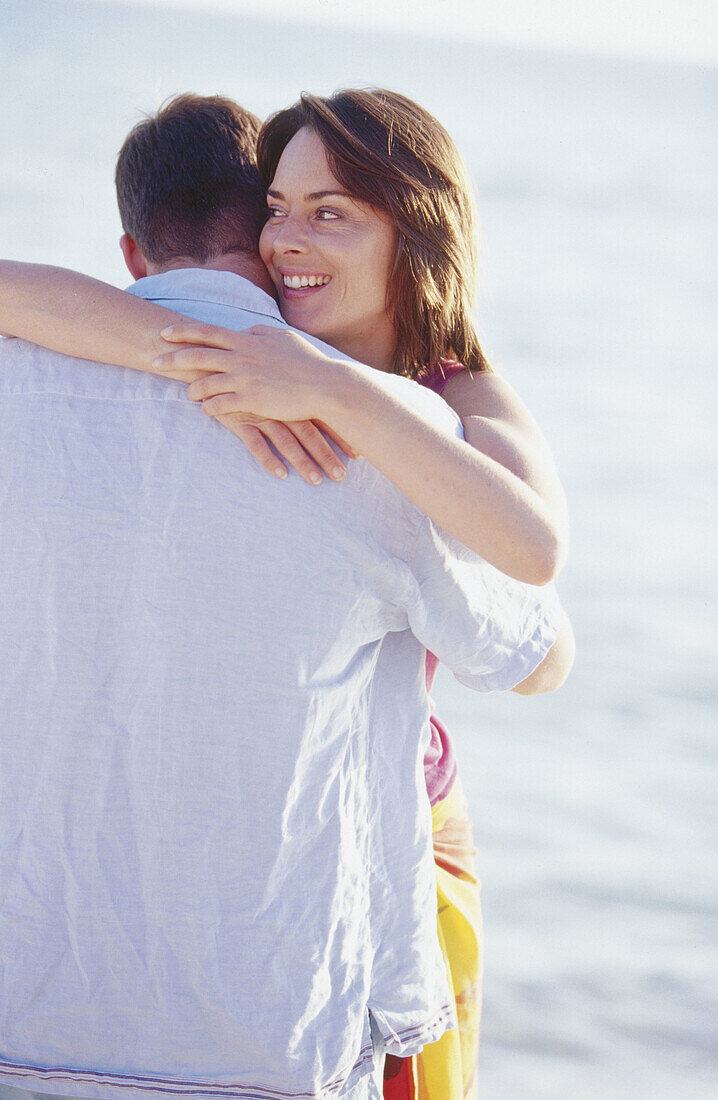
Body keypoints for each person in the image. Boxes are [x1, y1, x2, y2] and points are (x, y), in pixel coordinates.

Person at [0, 93, 573, 1100]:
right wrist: (183, 351)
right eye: (277, 207)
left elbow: (535, 565)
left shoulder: (440, 399)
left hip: (394, 818)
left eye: (328, 211)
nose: (287, 239)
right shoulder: (292, 385)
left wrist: (330, 387)